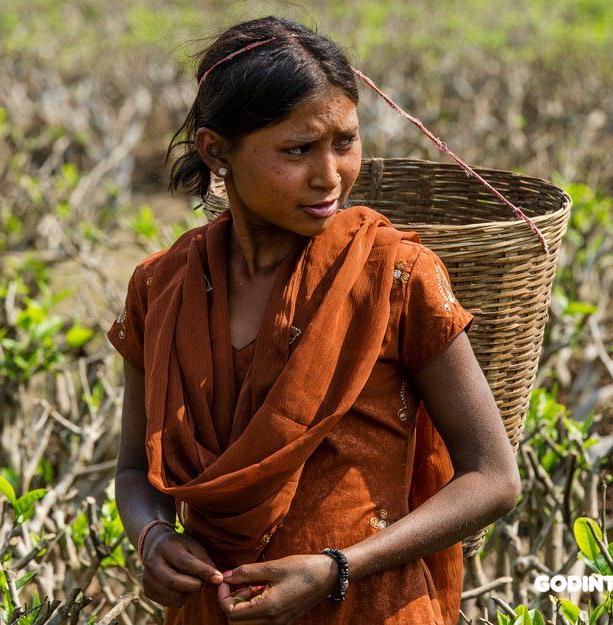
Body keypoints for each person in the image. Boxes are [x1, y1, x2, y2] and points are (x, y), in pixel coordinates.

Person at [107, 16, 520, 625]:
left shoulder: (395, 275)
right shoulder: (162, 288)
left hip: (369, 606)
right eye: (297, 150)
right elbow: (133, 471)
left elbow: (493, 477)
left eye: (345, 143)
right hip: (216, 610)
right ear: (216, 150)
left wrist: (336, 568)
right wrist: (153, 538)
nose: (330, 176)